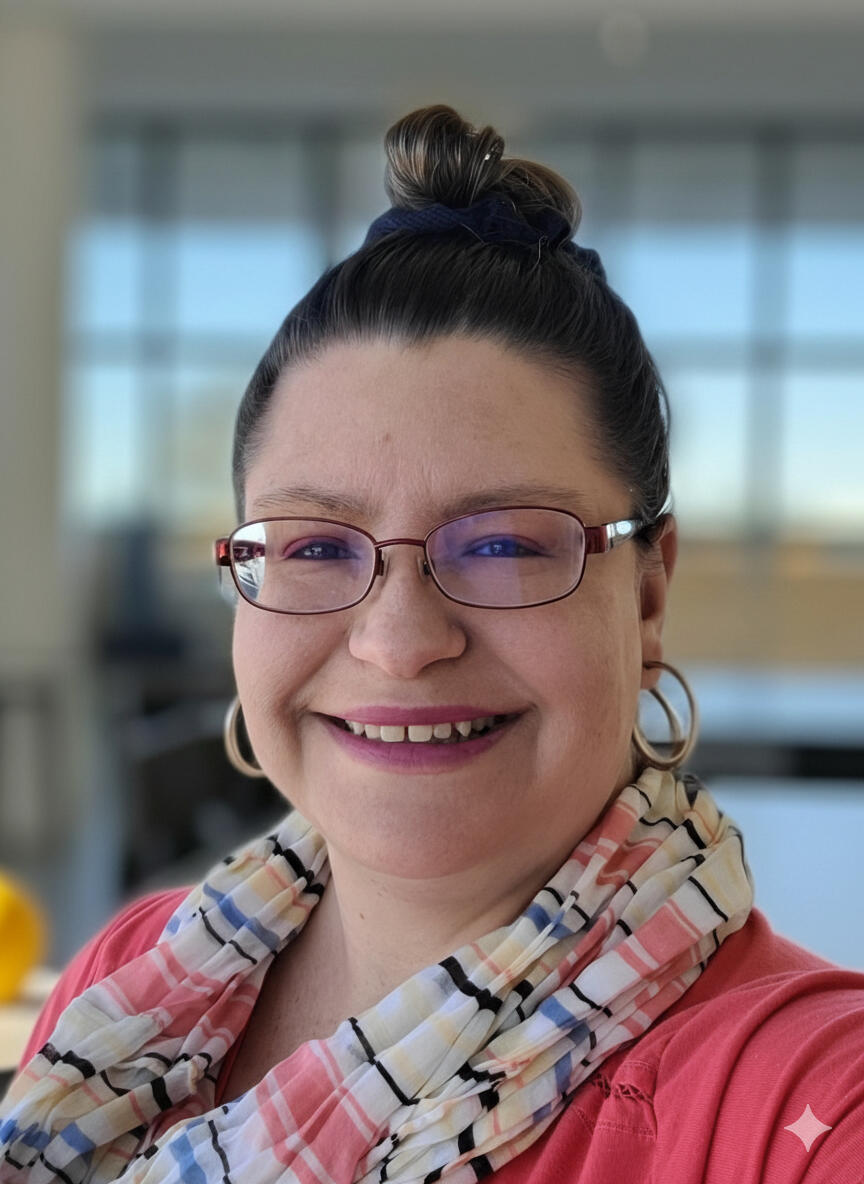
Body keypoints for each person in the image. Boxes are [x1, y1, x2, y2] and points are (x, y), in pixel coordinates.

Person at [2, 104, 863, 1183]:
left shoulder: (803, 1103)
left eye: (503, 543)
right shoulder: (128, 982)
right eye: (316, 546)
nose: (400, 639)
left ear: (647, 593)